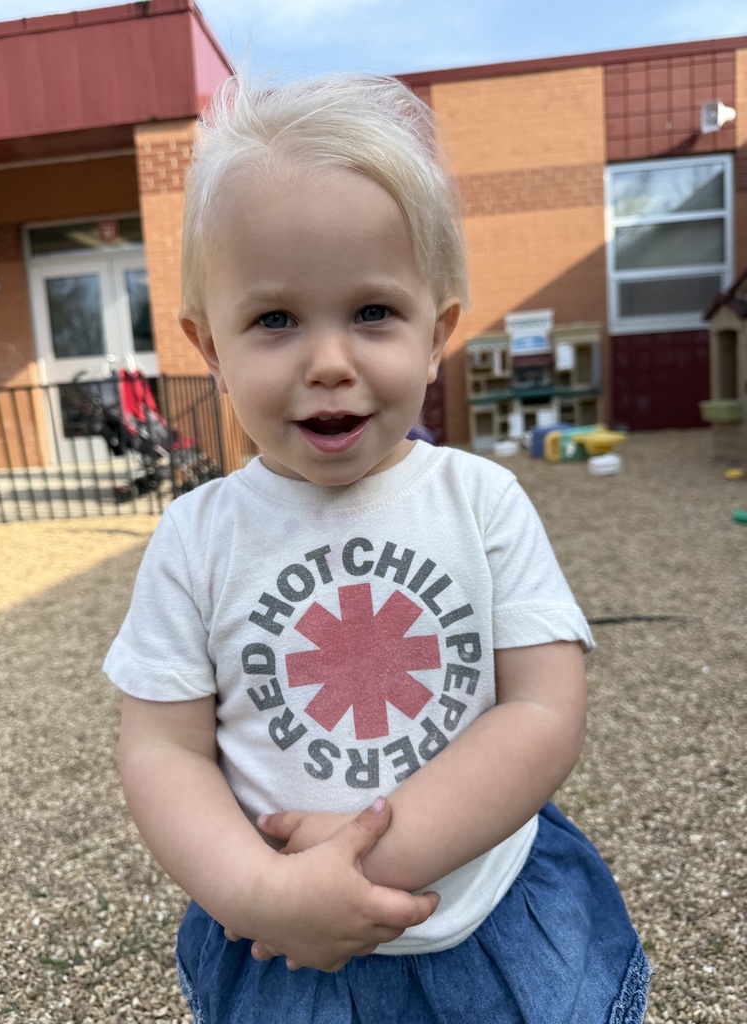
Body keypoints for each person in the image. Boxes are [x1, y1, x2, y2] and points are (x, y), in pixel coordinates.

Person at [104, 68, 650, 1024]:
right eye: (275, 319)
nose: (328, 361)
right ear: (209, 347)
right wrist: (263, 893)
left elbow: (542, 709)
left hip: (491, 911)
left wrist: (363, 864)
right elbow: (162, 751)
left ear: (437, 333)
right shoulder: (197, 538)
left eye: (372, 312)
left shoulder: (482, 502)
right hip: (285, 948)